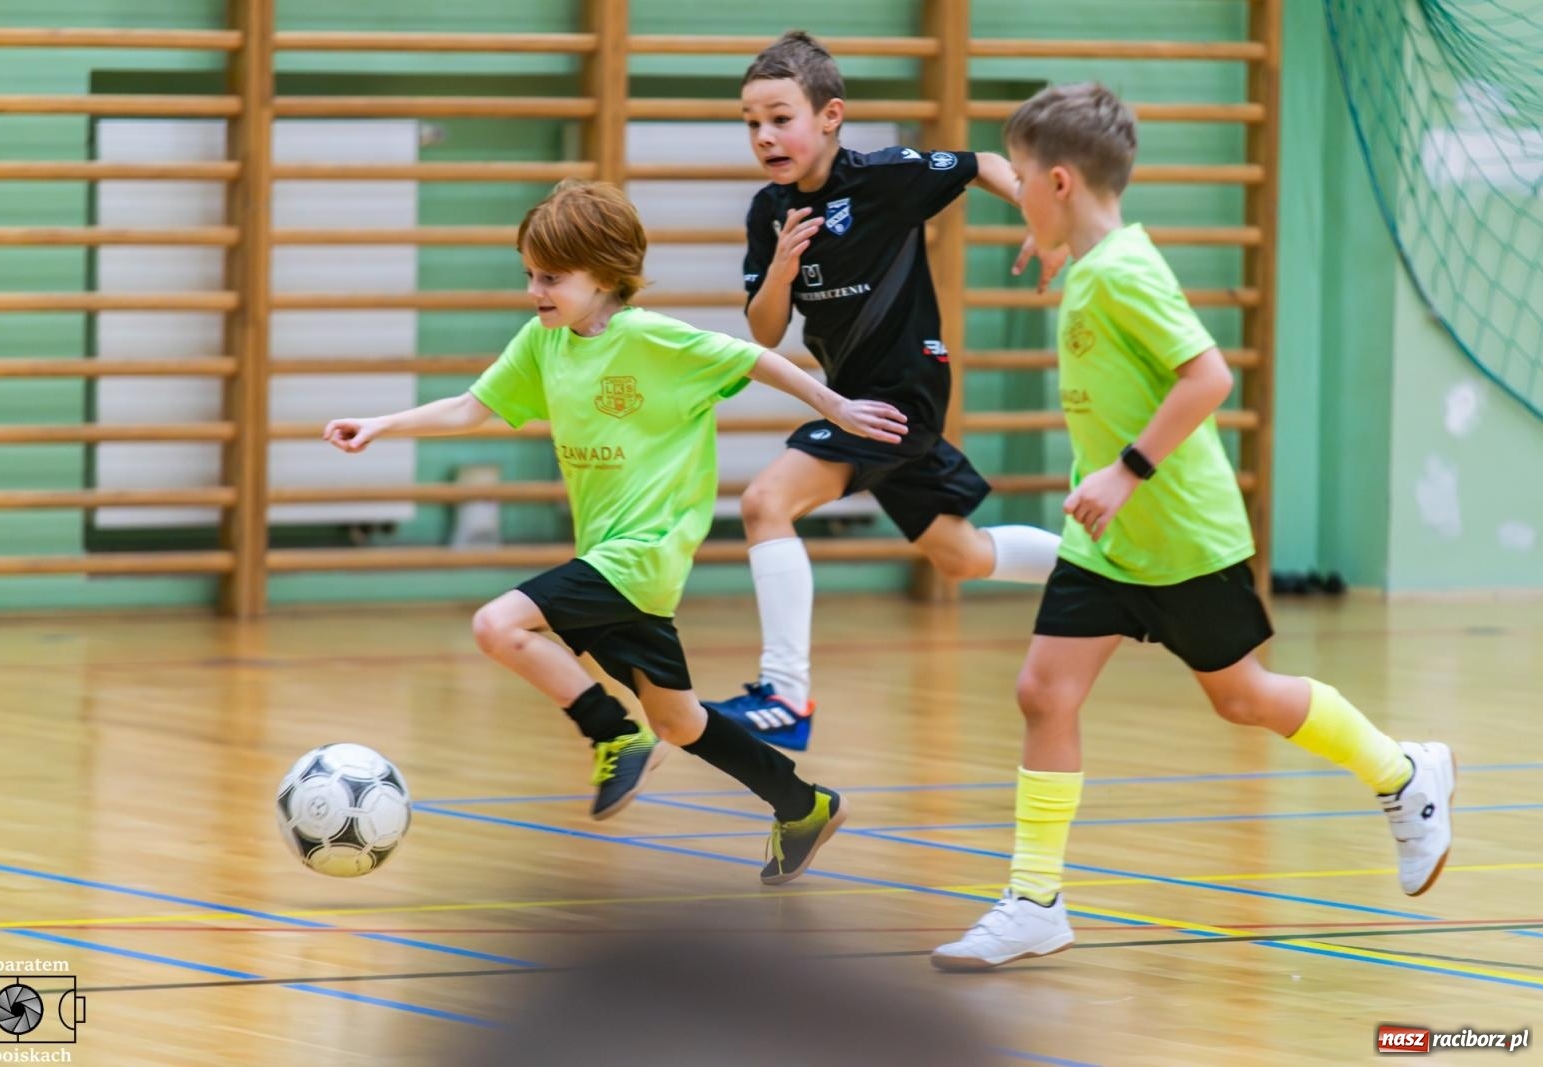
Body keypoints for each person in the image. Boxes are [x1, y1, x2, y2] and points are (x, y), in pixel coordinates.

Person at [931, 83, 1456, 970]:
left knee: (1242, 696)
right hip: (1110, 540)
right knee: (1042, 692)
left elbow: (1207, 376)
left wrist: (1124, 471)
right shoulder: (1097, 260)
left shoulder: (1125, 273)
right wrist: (1053, 244)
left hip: (1179, 532)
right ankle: (1034, 900)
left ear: (1059, 181)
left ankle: (1405, 774)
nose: (1013, 193)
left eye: (1019, 179)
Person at [324, 180, 909, 884]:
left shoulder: (651, 338)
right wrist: (381, 425)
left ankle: (610, 731)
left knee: (497, 625)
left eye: (551, 277)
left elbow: (753, 357)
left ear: (604, 274)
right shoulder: (544, 345)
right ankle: (804, 804)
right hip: (610, 558)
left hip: (643, 554)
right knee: (683, 721)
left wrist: (833, 404)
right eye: (529, 275)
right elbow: (471, 407)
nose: (535, 290)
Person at [705, 30, 1063, 751]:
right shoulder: (766, 211)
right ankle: (1118, 574)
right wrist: (779, 267)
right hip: (856, 394)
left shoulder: (885, 176)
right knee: (961, 555)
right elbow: (766, 331)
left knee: (765, 502)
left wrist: (1044, 222)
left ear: (830, 116)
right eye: (751, 122)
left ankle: (785, 694)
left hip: (901, 388)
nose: (765, 135)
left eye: (780, 117)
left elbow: (983, 162)